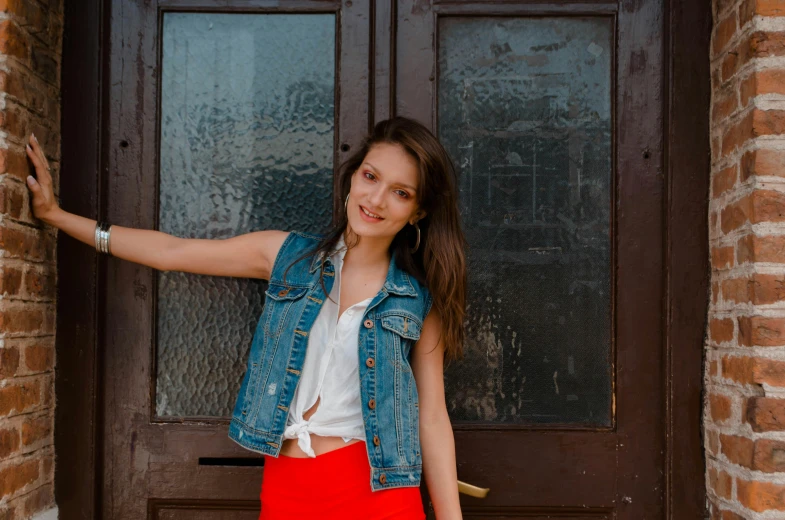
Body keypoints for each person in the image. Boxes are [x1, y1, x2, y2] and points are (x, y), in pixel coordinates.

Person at [24, 117, 467, 519]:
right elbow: (172, 252)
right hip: (288, 487)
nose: (376, 199)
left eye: (400, 192)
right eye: (370, 177)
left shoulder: (416, 298)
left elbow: (431, 416)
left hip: (377, 493)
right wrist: (56, 215)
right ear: (353, 177)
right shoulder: (287, 258)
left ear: (418, 212)